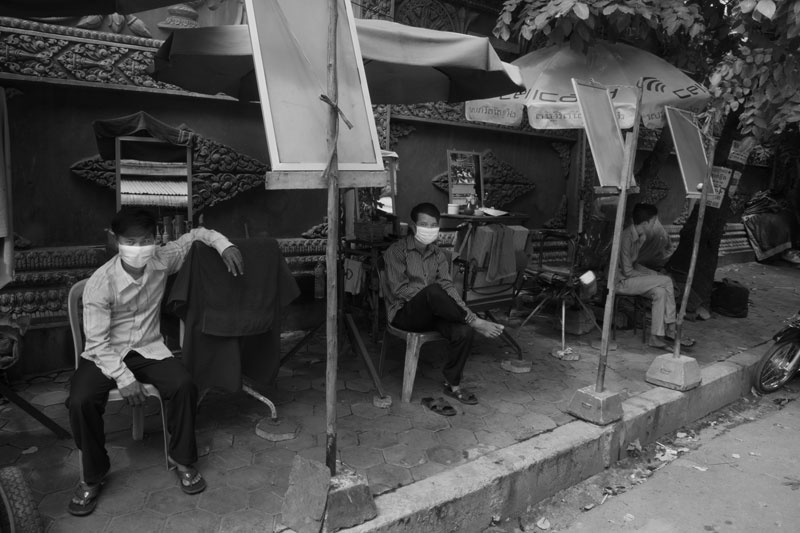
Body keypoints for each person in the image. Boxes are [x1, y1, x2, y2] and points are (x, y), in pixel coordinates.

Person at [67, 207, 243, 516]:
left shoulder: (161, 259)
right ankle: (93, 474)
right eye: (130, 241)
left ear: (155, 239)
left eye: (146, 240)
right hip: (105, 354)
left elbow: (196, 235)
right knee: (80, 400)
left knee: (183, 385)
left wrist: (224, 245)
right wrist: (124, 378)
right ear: (115, 240)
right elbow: (96, 343)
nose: (139, 248)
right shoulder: (100, 282)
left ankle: (182, 459)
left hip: (148, 349)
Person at [383, 202, 504, 414]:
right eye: (424, 224)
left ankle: (453, 384)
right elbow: (400, 289)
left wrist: (464, 312)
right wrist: (429, 297)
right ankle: (475, 322)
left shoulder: (438, 254)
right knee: (433, 291)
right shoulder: (397, 251)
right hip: (404, 314)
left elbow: (449, 287)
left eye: (433, 225)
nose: (429, 229)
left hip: (433, 311)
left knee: (463, 331)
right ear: (413, 226)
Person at [616, 203, 693, 349]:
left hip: (630, 278)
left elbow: (634, 265)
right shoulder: (626, 237)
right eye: (654, 221)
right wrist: (653, 278)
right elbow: (627, 272)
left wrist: (653, 274)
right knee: (666, 281)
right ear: (645, 223)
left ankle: (655, 337)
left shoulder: (641, 236)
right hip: (621, 281)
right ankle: (671, 327)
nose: (655, 225)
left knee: (660, 292)